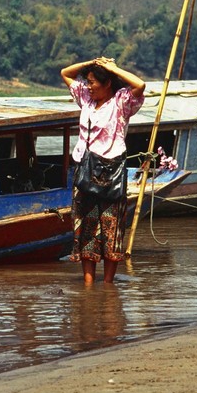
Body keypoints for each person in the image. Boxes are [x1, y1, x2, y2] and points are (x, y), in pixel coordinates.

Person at [61, 57, 146, 284]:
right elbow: (66, 73)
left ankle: (108, 283)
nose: (88, 86)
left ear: (107, 82)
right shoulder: (86, 100)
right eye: (87, 82)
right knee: (86, 225)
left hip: (111, 172)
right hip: (84, 169)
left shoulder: (121, 102)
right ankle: (88, 282)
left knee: (111, 227)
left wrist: (113, 69)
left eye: (92, 82)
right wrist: (90, 63)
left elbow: (140, 85)